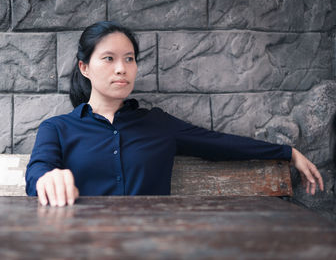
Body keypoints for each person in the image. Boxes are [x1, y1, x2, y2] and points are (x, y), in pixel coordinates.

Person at [26, 21, 324, 207]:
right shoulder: (58, 128)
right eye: (109, 59)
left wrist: (288, 152)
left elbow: (220, 143)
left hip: (154, 244)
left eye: (129, 59)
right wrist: (47, 178)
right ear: (85, 68)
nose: (122, 68)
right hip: (83, 245)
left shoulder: (158, 124)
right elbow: (37, 171)